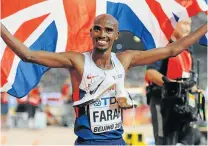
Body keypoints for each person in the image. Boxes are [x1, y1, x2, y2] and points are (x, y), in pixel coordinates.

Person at [1, 14, 207, 145]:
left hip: (117, 140)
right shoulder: (77, 61)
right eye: (98, 28)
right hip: (89, 142)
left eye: (109, 30)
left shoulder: (125, 59)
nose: (103, 34)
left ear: (116, 35)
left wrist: (205, 26)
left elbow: (173, 49)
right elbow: (28, 55)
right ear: (91, 32)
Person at [145, 19, 206, 145]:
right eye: (184, 23)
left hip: (183, 104)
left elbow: (188, 76)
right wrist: (174, 85)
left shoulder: (188, 49)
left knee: (191, 139)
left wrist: (194, 89)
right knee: (165, 141)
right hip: (162, 102)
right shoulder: (163, 45)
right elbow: (150, 73)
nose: (188, 28)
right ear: (173, 24)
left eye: (189, 24)